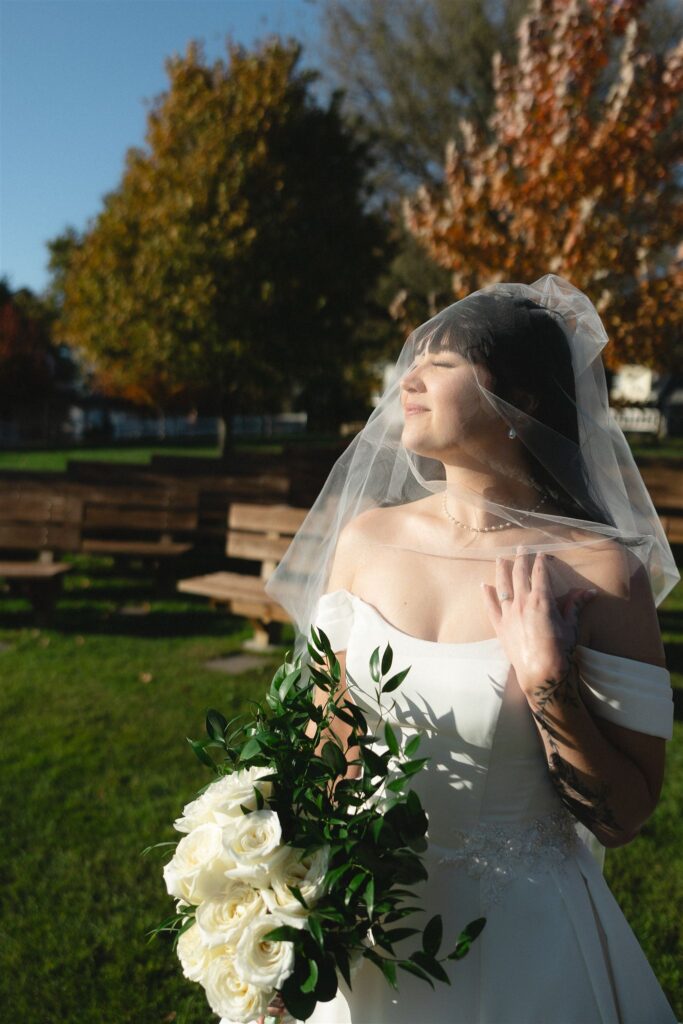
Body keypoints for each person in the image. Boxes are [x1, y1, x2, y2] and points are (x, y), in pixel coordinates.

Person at [262, 273, 679, 1023]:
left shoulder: (599, 573)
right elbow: (326, 743)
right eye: (411, 361)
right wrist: (277, 892)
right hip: (365, 921)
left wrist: (549, 683)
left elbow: (622, 818)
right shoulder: (365, 541)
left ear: (521, 402)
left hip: (523, 943)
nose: (407, 380)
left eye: (442, 364)